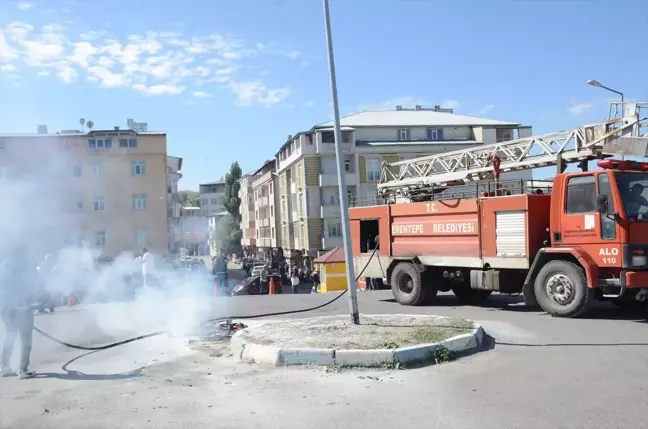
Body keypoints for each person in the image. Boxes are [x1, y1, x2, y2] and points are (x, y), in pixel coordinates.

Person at [0, 249, 37, 379]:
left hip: (6, 308)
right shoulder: (18, 268)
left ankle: (4, 367)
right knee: (25, 338)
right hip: (21, 308)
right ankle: (23, 369)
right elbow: (25, 288)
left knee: (10, 335)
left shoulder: (3, 267)